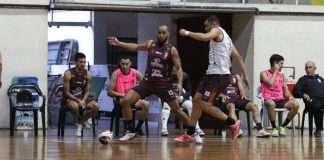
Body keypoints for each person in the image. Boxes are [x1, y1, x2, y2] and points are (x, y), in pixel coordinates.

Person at [107, 25, 193, 142]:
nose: (161, 35)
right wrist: (119, 43)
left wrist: (180, 83)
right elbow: (136, 47)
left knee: (177, 110)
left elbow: (179, 68)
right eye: (159, 32)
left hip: (163, 85)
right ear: (157, 33)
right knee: (125, 101)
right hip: (147, 82)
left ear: (168, 34)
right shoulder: (150, 44)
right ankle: (131, 131)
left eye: (163, 33)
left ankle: (193, 132)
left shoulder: (171, 50)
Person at [175, 15, 250, 143]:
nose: (205, 28)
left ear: (214, 24)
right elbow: (238, 57)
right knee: (197, 100)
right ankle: (191, 133)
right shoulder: (228, 39)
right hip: (211, 75)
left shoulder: (216, 30)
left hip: (219, 76)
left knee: (205, 104)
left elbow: (204, 38)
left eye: (206, 25)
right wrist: (246, 76)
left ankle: (233, 123)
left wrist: (186, 33)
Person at [107, 57, 149, 136]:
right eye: (123, 64)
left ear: (130, 64)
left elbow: (146, 85)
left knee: (146, 104)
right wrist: (123, 95)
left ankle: (138, 128)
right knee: (125, 101)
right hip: (120, 99)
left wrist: (142, 94)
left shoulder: (135, 72)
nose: (125, 66)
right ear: (120, 63)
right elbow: (109, 92)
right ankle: (128, 128)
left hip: (134, 99)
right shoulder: (116, 74)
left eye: (127, 64)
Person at [219, 73, 271, 137]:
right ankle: (237, 130)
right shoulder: (218, 75)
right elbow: (214, 89)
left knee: (254, 106)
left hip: (238, 98)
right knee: (231, 107)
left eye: (229, 62)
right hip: (227, 99)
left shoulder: (236, 76)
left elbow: (241, 89)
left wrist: (243, 95)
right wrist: (221, 95)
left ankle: (260, 130)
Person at [260, 54, 299, 137]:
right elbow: (270, 83)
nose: (282, 65)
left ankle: (283, 126)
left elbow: (286, 91)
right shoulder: (264, 73)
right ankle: (274, 128)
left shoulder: (282, 75)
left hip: (280, 99)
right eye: (281, 63)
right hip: (269, 99)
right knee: (271, 104)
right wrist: (275, 72)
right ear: (275, 63)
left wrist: (290, 97)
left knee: (295, 105)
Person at [160, 67, 205, 136]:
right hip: (170, 99)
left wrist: (182, 97)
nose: (176, 68)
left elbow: (189, 91)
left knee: (191, 105)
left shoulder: (185, 76)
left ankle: (197, 128)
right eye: (174, 67)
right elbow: (163, 90)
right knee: (166, 105)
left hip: (182, 99)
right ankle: (164, 128)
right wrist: (173, 97)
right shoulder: (166, 76)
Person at [63, 52, 99, 137]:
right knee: (75, 106)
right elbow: (66, 92)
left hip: (83, 98)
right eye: (81, 62)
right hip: (71, 98)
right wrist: (78, 100)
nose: (83, 64)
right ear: (76, 62)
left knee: (96, 106)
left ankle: (80, 123)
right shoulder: (68, 73)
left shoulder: (88, 74)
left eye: (84, 62)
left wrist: (83, 100)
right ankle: (83, 121)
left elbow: (87, 91)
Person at [293, 61, 324, 137]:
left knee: (319, 104)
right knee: (317, 105)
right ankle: (319, 129)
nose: (308, 69)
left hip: (322, 100)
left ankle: (319, 129)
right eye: (306, 68)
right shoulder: (302, 79)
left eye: (310, 67)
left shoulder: (320, 78)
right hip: (311, 102)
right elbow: (295, 91)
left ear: (315, 68)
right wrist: (303, 94)